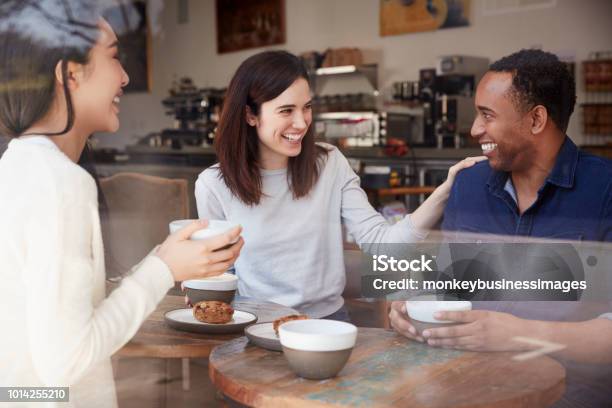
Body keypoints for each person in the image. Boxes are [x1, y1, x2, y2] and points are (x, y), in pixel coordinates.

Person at [0, 13, 243, 408]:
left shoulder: (16, 165)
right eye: (114, 58)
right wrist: (163, 269)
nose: (126, 77)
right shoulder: (61, 183)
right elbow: (67, 360)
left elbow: (50, 320)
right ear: (71, 74)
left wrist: (165, 260)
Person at [388, 49, 612, 407]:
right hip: (467, 383)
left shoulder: (605, 191)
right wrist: (408, 308)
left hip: (569, 394)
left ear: (536, 119)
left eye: (487, 115)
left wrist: (520, 334)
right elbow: (449, 285)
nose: (475, 129)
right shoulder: (469, 185)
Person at [195, 50, 484, 320]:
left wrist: (445, 191)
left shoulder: (329, 163)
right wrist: (204, 290)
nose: (301, 122)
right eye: (286, 111)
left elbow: (382, 247)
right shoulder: (214, 185)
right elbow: (220, 272)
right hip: (253, 324)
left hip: (327, 321)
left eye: (306, 108)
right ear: (250, 115)